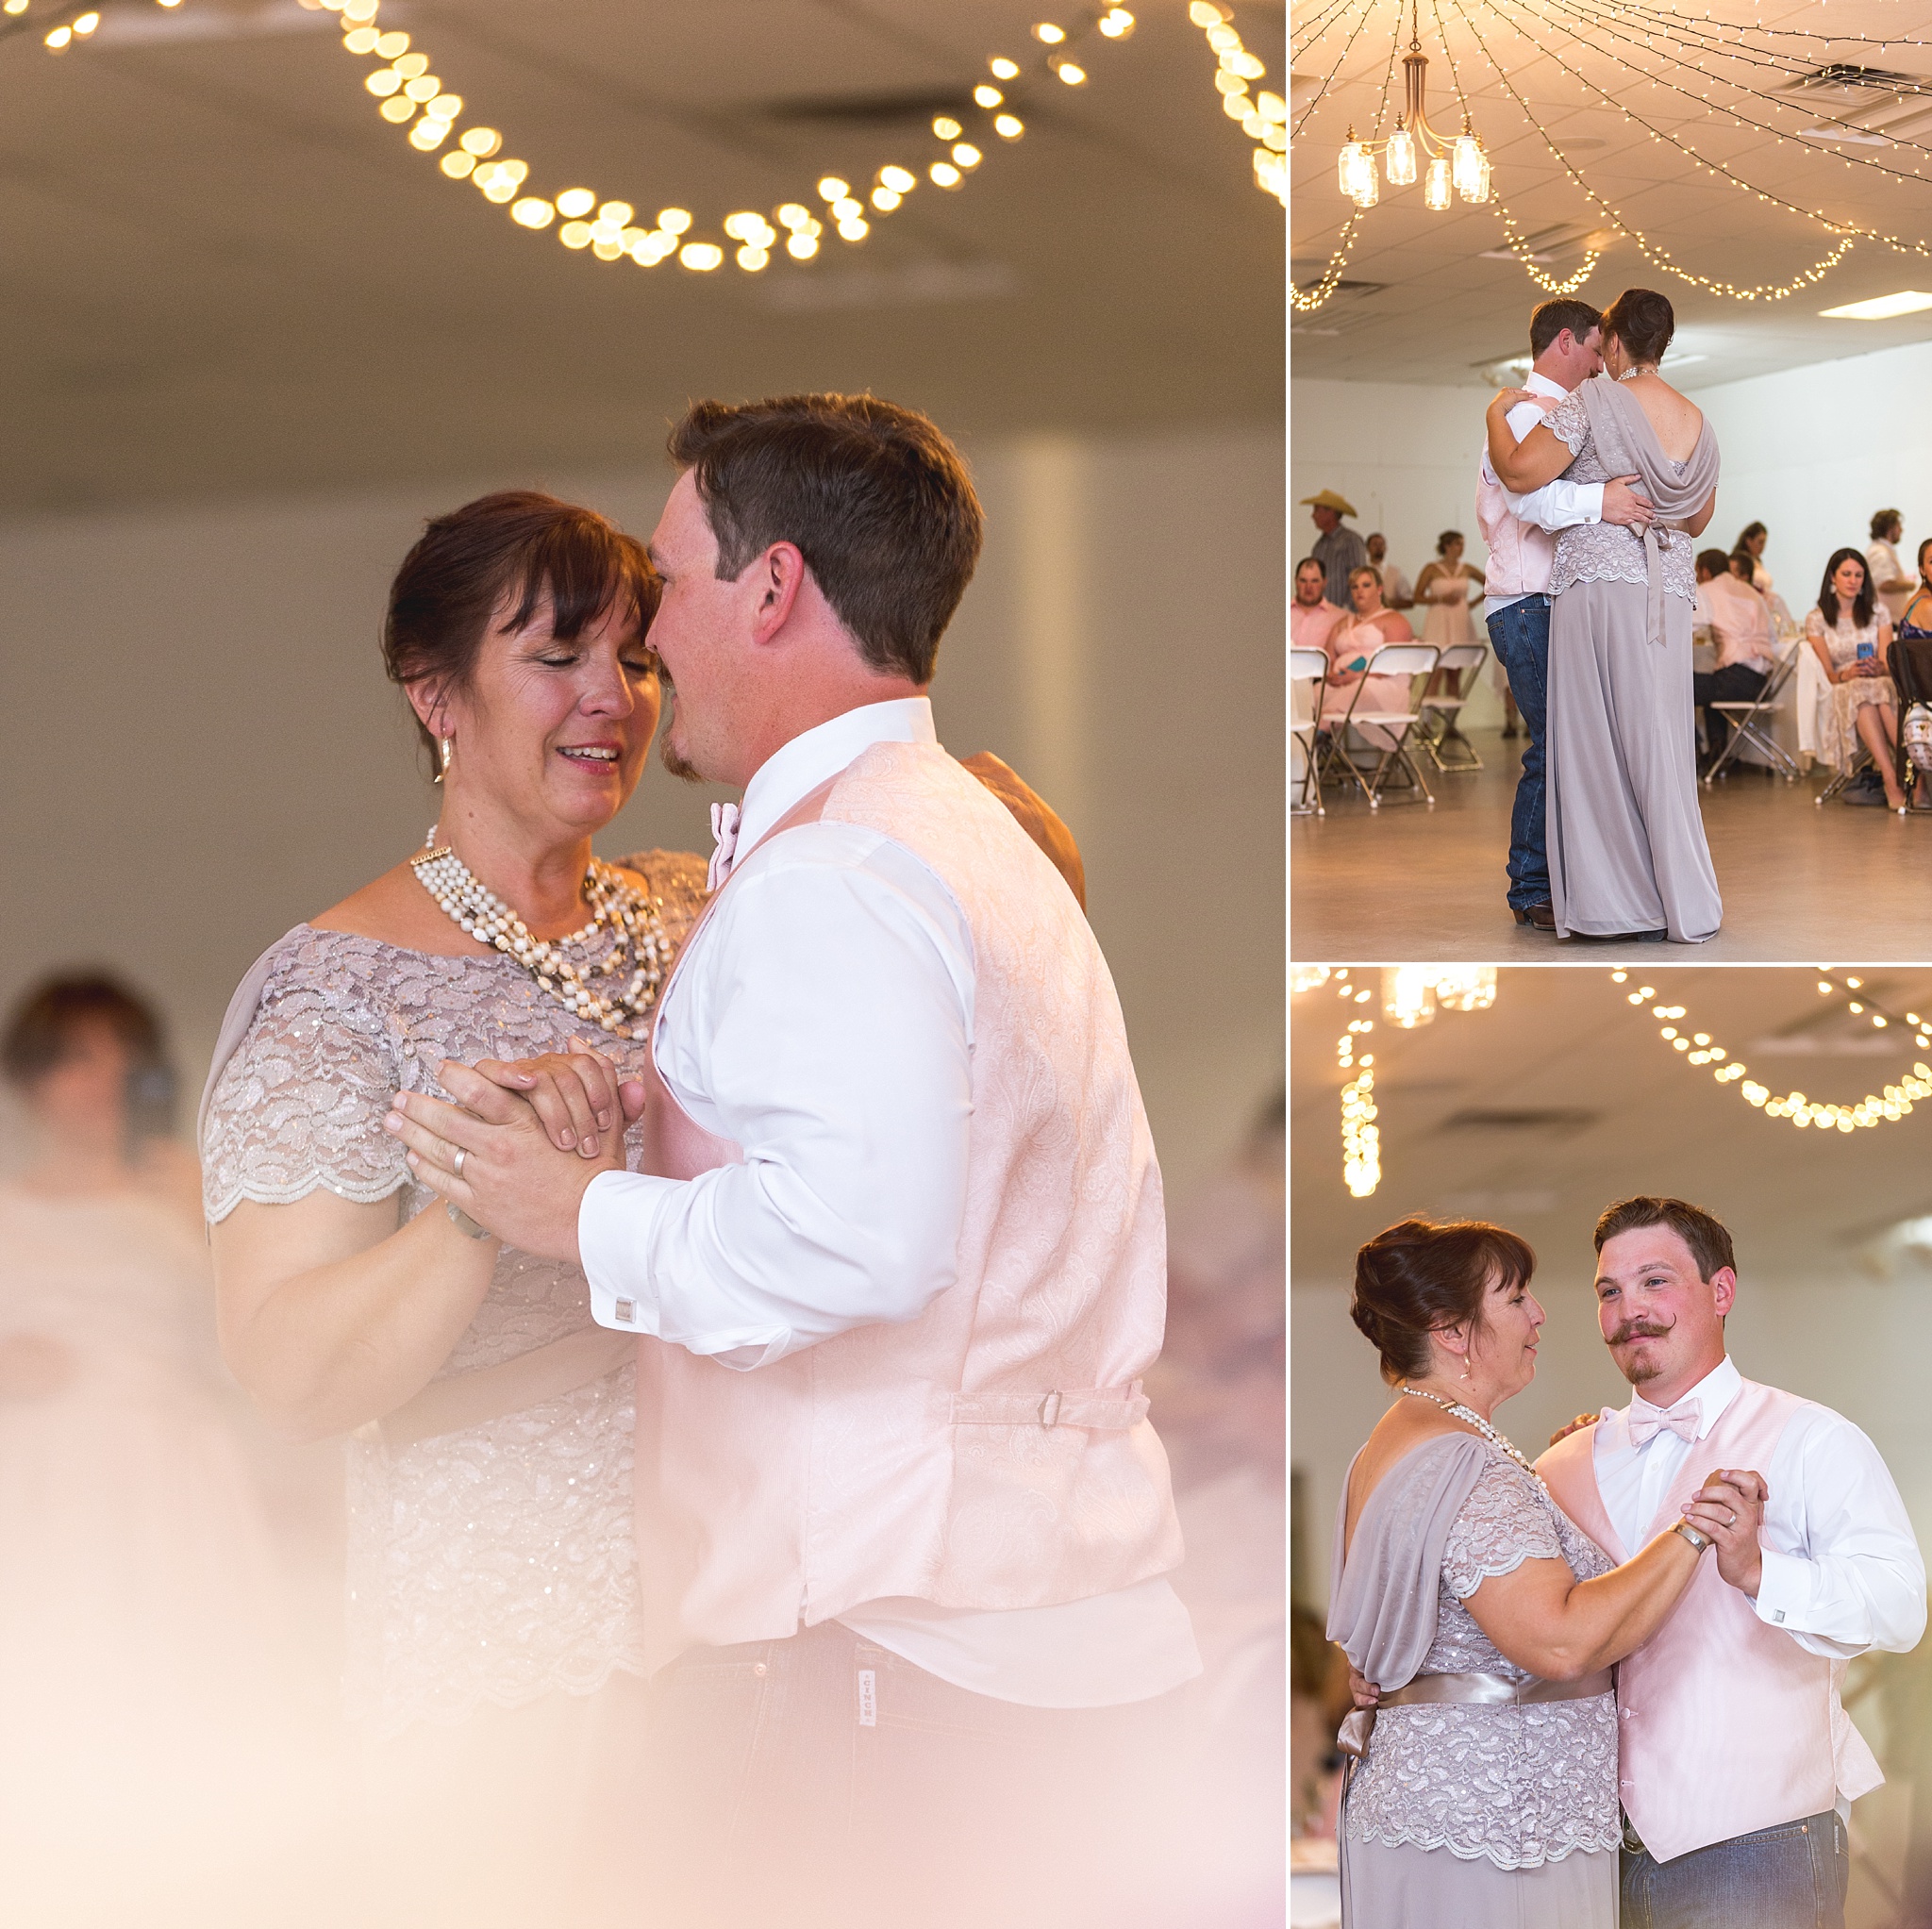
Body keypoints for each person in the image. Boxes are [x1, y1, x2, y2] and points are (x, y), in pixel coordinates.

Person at [382, 393, 1199, 1929]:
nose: (645, 641)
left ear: (771, 589)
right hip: (1014, 1628)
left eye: (670, 582)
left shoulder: (838, 869)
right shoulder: (949, 829)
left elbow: (859, 1242)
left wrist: (578, 1211)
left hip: (899, 1657)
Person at [1329, 1217, 1764, 1929]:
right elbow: (1559, 1643)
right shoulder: (1467, 1465)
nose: (1538, 1314)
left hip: (1436, 1808)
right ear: (1452, 1330)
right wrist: (1691, 1526)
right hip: (1500, 1827)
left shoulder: (1400, 1440)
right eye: (1515, 1297)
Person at [1539, 1197, 1924, 1929]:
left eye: (1655, 1281)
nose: (1630, 1311)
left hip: (1758, 1844)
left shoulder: (1814, 1439)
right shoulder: (1563, 1462)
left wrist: (1760, 1573)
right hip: (1588, 1854)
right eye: (1609, 1291)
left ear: (1721, 1292)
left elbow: (1901, 1605)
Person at [0, 975, 295, 1916]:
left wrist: (204, 1224)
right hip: (39, 1483)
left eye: (122, 1056)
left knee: (184, 1697)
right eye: (79, 1056)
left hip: (171, 1471)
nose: (104, 1078)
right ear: (34, 1076)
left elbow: (261, 1353)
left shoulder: (192, 1196)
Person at [1487, 286, 1722, 943]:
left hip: (1600, 585)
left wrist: (1492, 416)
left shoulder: (1595, 400)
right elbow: (1699, 515)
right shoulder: (1696, 416)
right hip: (1669, 588)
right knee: (1661, 740)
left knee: (1595, 742)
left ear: (1614, 342)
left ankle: (1617, 901)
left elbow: (1520, 470)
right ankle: (1679, 895)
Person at [1476, 295, 1657, 935]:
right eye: (1592, 346)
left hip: (1554, 601)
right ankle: (1530, 886)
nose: (1601, 360)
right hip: (1526, 602)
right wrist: (1600, 501)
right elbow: (1525, 500)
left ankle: (1571, 877)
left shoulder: (1567, 411)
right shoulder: (1526, 413)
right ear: (1563, 343)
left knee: (1572, 745)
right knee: (1553, 744)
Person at [1805, 547, 1907, 811]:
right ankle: (1898, 775)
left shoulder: (1878, 612)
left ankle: (1903, 773)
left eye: (1859, 575)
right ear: (1832, 577)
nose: (1852, 580)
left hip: (1879, 681)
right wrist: (1847, 674)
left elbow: (1888, 665)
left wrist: (1877, 668)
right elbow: (1828, 674)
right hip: (1843, 685)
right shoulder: (1817, 619)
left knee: (1875, 688)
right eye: (1846, 574)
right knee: (1862, 690)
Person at [1692, 546, 1776, 771]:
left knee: (1677, 685)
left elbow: (1684, 625)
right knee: (1711, 683)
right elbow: (1772, 635)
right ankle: (1718, 757)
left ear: (1706, 572)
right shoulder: (1750, 591)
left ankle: (1694, 754)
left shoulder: (1707, 590)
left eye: (1697, 573)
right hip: (1762, 681)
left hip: (1736, 679)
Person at [1321, 564, 1415, 752]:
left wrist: (1357, 676)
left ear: (1379, 589)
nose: (1359, 591)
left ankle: (1319, 736)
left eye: (1365, 585)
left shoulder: (1394, 620)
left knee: (1359, 689)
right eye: (1354, 587)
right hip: (1343, 682)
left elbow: (1394, 663)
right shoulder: (1342, 622)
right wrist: (1333, 675)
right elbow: (1328, 657)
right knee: (1315, 692)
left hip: (1381, 684)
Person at [1305, 487, 1371, 608]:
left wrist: (1347, 611)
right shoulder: (1319, 546)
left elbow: (1359, 578)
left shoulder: (1350, 540)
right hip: (1321, 614)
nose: (1313, 515)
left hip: (1344, 615)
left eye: (1316, 511)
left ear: (1330, 512)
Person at [1867, 508, 1914, 628]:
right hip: (1887, 620)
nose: (1902, 530)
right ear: (1890, 528)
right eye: (1899, 526)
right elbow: (1884, 584)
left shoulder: (1883, 550)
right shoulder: (1880, 553)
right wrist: (1911, 585)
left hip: (1890, 619)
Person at [1292, 554, 1345, 654]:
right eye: (1303, 581)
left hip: (1320, 669)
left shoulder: (1340, 618)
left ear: (1324, 582)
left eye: (1315, 581)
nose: (1308, 587)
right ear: (1296, 581)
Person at [1365, 532, 1412, 609]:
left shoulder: (1396, 573)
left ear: (1386, 548)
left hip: (1389, 618)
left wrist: (1388, 603)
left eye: (1381, 544)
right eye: (1375, 544)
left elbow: (1409, 600)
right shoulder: (1359, 572)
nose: (1378, 547)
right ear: (1367, 548)